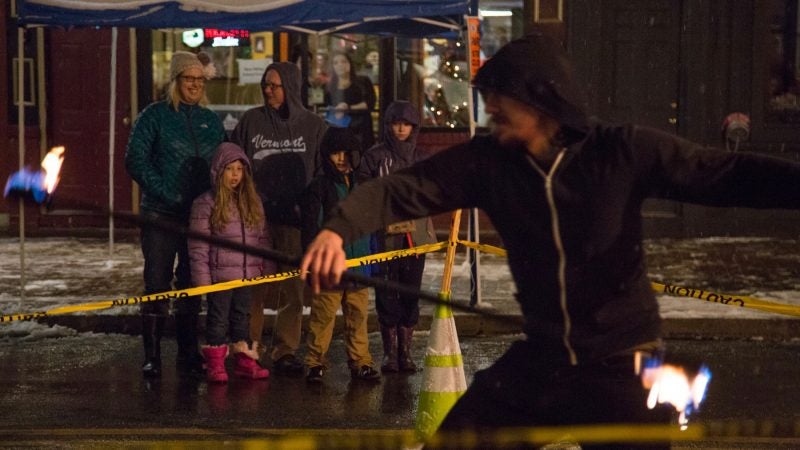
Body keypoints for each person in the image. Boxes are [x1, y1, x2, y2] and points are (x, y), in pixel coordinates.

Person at [299, 32, 800, 448]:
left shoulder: (620, 153)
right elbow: (404, 188)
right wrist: (336, 229)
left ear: (542, 99)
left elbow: (724, 172)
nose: (489, 108)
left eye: (500, 97)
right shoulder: (490, 162)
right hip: (544, 362)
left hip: (624, 367)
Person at [125, 51, 225, 378]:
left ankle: (187, 351)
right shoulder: (153, 116)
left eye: (199, 79)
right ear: (175, 80)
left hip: (198, 218)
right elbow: (136, 161)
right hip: (160, 215)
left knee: (191, 282)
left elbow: (223, 163)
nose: (195, 85)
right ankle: (152, 356)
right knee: (157, 281)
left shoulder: (211, 121)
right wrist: (167, 193)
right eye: (188, 78)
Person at [230, 61, 327, 376]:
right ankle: (251, 348)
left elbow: (323, 172)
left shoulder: (313, 126)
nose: (268, 90)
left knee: (291, 289)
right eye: (265, 85)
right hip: (255, 218)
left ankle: (286, 349)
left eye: (274, 85)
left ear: (290, 87)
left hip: (295, 220)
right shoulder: (251, 121)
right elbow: (234, 162)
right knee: (254, 287)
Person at [358, 101, 436, 373]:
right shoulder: (375, 157)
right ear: (388, 124)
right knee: (386, 293)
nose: (401, 128)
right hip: (383, 238)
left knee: (410, 291)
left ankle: (406, 352)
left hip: (414, 238)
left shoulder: (422, 158)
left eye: (407, 124)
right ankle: (390, 353)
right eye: (396, 123)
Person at [299, 127, 380, 383]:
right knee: (322, 319)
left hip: (359, 268)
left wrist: (374, 259)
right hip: (330, 268)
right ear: (327, 156)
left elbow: (371, 226)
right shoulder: (319, 188)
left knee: (358, 318)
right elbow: (311, 228)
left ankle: (361, 361)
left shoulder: (363, 186)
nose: (342, 158)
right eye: (336, 154)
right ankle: (314, 362)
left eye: (347, 153)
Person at [188, 142, 272, 383]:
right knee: (218, 319)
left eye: (239, 169)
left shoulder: (252, 201)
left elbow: (262, 237)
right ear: (218, 171)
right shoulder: (206, 203)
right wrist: (202, 280)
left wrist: (266, 267)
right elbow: (198, 245)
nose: (235, 175)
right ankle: (215, 363)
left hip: (246, 274)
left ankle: (244, 361)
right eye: (229, 169)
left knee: (242, 317)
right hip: (221, 276)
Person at [324, 52, 377, 149]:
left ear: (350, 64)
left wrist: (347, 107)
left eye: (343, 61)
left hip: (361, 131)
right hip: (340, 132)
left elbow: (370, 103)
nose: (340, 65)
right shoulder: (329, 87)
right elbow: (328, 108)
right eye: (335, 63)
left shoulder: (363, 81)